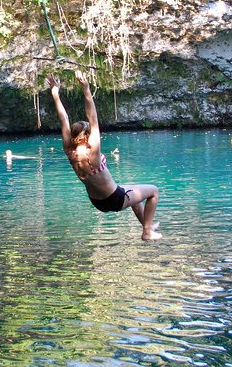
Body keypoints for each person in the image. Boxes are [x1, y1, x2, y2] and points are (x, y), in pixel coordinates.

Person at [48, 70, 161, 240]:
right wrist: (86, 88)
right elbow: (92, 117)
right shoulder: (92, 153)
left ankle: (148, 224)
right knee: (153, 191)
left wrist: (55, 94)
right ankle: (147, 232)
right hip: (114, 198)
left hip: (97, 201)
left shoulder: (69, 151)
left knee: (134, 192)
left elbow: (64, 119)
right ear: (87, 136)